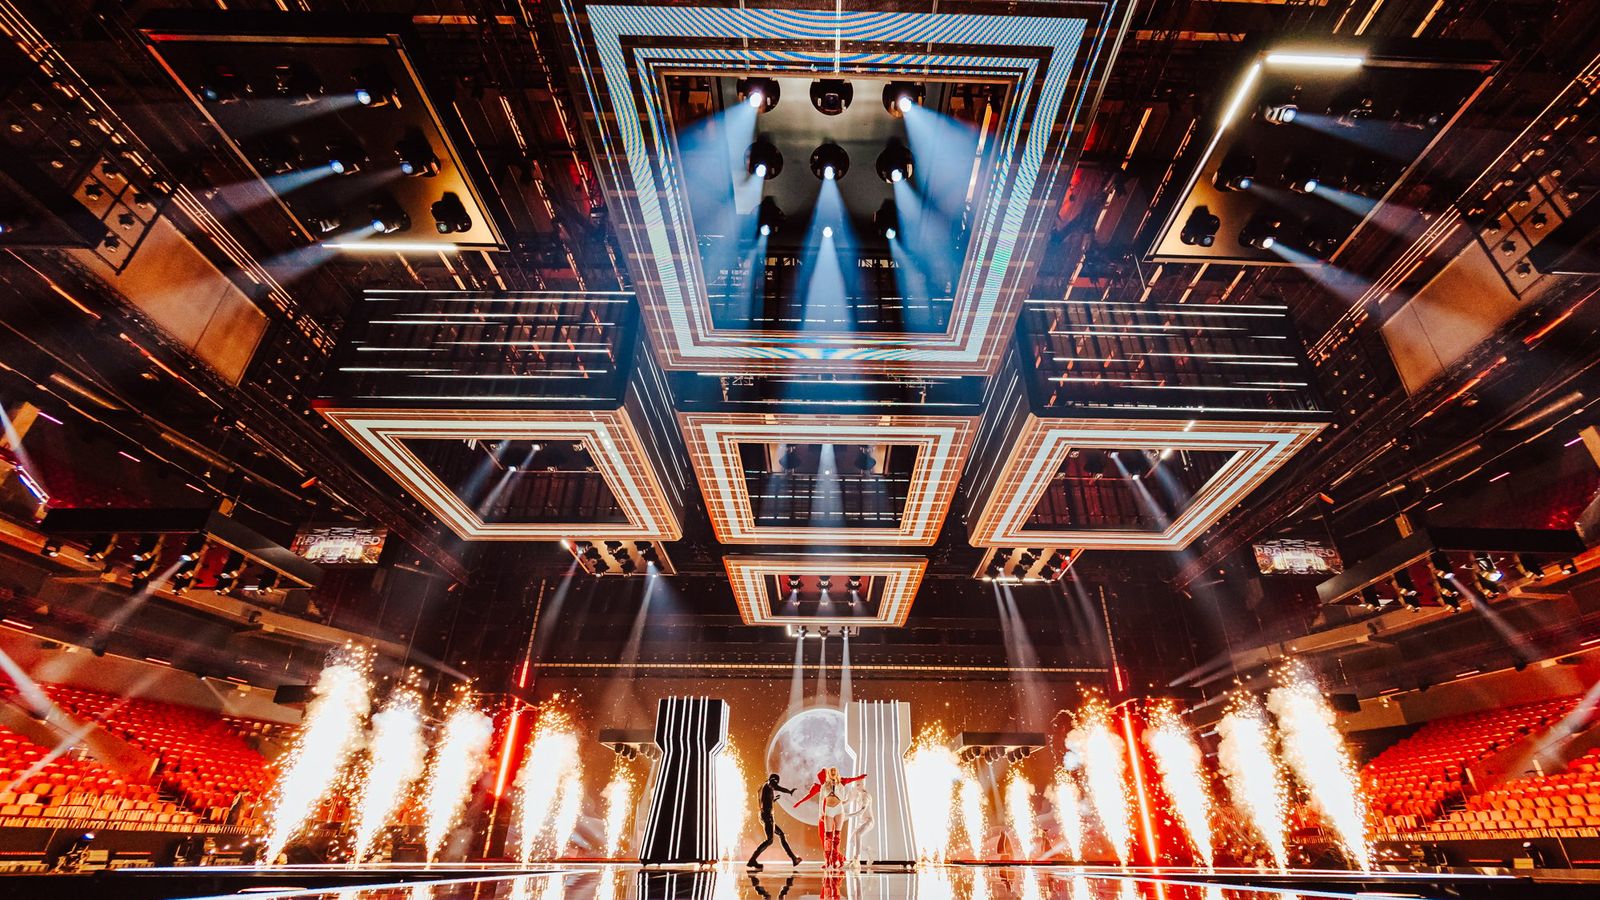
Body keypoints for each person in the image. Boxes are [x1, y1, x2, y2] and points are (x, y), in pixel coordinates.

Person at [793, 767, 867, 871]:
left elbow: (842, 797)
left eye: (834, 772)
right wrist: (820, 814)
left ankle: (835, 860)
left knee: (836, 837)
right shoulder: (823, 786)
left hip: (839, 810)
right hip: (828, 811)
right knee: (827, 837)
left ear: (836, 774)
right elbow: (820, 800)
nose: (832, 773)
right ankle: (828, 861)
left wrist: (836, 787)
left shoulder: (841, 784)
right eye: (830, 772)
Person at [747, 773, 802, 870]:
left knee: (781, 835)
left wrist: (773, 800)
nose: (775, 784)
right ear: (773, 780)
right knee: (769, 840)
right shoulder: (769, 783)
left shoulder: (764, 787)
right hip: (767, 816)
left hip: (764, 815)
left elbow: (764, 800)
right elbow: (774, 786)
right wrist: (789, 791)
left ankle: (794, 859)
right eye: (775, 782)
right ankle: (752, 860)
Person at [844, 780, 875, 867]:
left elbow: (861, 812)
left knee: (858, 834)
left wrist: (847, 815)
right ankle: (868, 851)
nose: (856, 787)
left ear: (863, 785)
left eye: (858, 785)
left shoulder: (866, 796)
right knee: (852, 841)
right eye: (855, 785)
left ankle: (856, 858)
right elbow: (847, 801)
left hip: (869, 821)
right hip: (862, 822)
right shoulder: (858, 795)